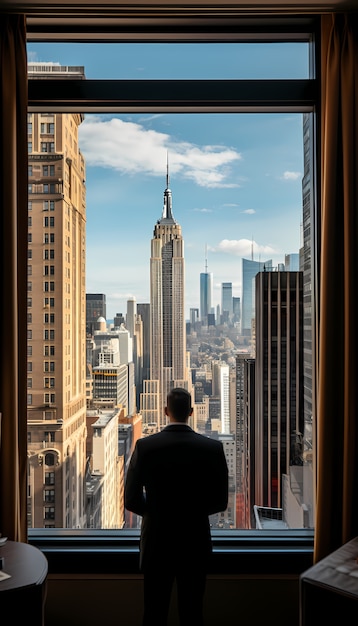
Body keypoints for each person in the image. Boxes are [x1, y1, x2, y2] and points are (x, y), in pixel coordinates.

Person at [124, 387, 229, 626]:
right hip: (195, 543)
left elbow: (131, 500)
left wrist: (156, 514)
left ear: (165, 411)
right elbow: (220, 500)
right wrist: (192, 513)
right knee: (192, 614)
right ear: (192, 412)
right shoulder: (211, 449)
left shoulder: (145, 447)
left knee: (153, 614)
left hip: (156, 544)